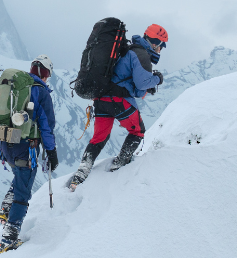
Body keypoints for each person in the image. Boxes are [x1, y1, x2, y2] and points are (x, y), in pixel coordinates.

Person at [67, 24, 166, 191]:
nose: (160, 51)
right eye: (161, 46)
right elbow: (142, 82)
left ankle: (81, 173)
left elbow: (132, 82)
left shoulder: (127, 50)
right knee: (137, 131)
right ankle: (119, 166)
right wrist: (157, 79)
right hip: (119, 100)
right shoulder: (141, 55)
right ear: (155, 43)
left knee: (99, 138)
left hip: (102, 100)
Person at [0, 55, 58, 252]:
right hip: (26, 146)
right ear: (46, 73)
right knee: (23, 191)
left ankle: (6, 209)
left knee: (19, 177)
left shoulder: (16, 88)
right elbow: (47, 126)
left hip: (6, 143)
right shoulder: (40, 92)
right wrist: (51, 151)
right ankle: (9, 237)